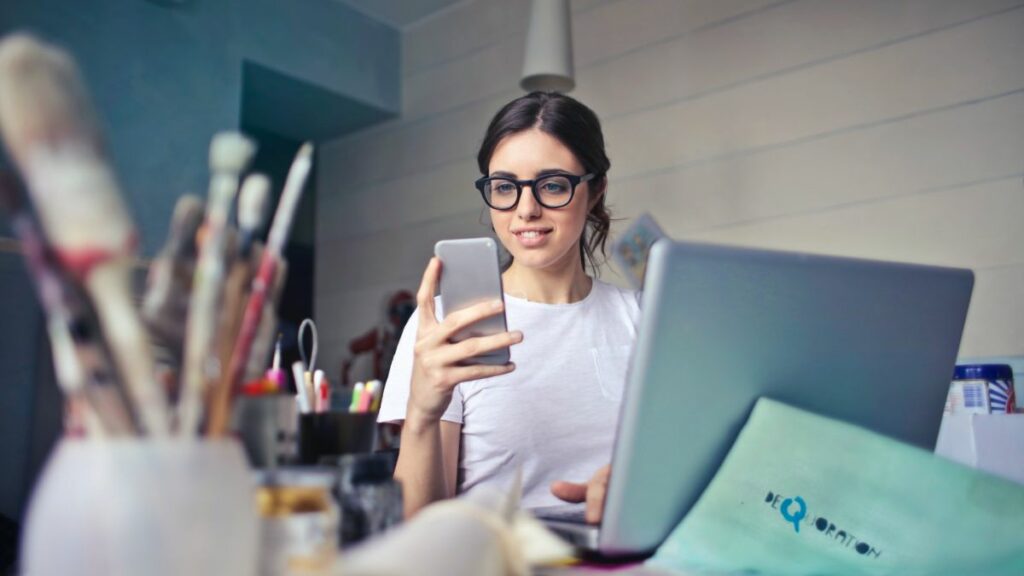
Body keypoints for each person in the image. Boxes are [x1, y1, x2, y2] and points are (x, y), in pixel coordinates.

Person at [378, 91, 640, 524]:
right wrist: (422, 413)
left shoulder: (642, 319)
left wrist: (638, 490)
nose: (526, 210)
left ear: (595, 191)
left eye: (552, 185)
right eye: (504, 187)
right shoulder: (447, 326)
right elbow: (418, 529)